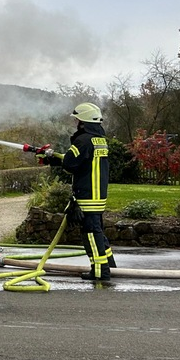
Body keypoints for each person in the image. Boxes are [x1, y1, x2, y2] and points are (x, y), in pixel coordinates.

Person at [37, 102, 115, 282]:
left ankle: (100, 272)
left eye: (77, 120)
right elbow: (79, 160)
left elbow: (71, 164)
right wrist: (52, 158)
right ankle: (109, 264)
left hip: (87, 194)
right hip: (98, 194)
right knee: (98, 231)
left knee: (91, 233)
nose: (76, 123)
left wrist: (49, 157)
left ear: (83, 121)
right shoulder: (98, 140)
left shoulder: (82, 140)